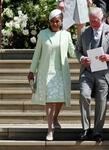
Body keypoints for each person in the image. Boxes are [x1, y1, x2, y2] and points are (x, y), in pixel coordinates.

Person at [27, 9, 75, 141]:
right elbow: (37, 54)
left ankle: (54, 118)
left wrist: (85, 57)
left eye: (57, 21)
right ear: (49, 22)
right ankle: (50, 130)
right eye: (52, 21)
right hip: (46, 72)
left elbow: (73, 52)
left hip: (61, 73)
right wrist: (32, 70)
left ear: (61, 22)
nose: (55, 23)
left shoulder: (66, 35)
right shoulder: (43, 34)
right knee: (49, 101)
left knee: (60, 99)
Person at [75, 7, 109, 142]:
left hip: (104, 73)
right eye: (90, 21)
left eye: (94, 21)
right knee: (84, 95)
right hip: (87, 71)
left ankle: (97, 131)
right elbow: (77, 50)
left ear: (101, 18)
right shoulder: (84, 31)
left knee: (101, 102)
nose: (92, 23)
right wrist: (82, 58)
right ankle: (85, 129)